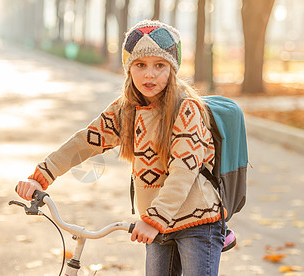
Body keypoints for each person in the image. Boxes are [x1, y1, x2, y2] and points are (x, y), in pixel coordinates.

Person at [16, 20, 234, 275]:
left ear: (172, 69)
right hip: (157, 223)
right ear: (129, 68)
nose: (149, 74)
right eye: (140, 65)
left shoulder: (187, 109)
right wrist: (42, 176)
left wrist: (154, 219)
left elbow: (184, 171)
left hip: (197, 222)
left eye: (159, 65)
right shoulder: (126, 110)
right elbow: (85, 141)